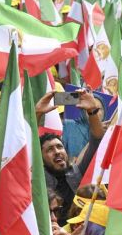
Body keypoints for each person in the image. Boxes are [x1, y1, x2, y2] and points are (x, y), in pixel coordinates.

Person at [42, 92, 106, 223]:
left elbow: (97, 140)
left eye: (59, 147)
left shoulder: (77, 173)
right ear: (40, 158)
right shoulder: (38, 180)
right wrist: (37, 113)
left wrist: (92, 111)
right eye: (50, 149)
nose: (57, 152)